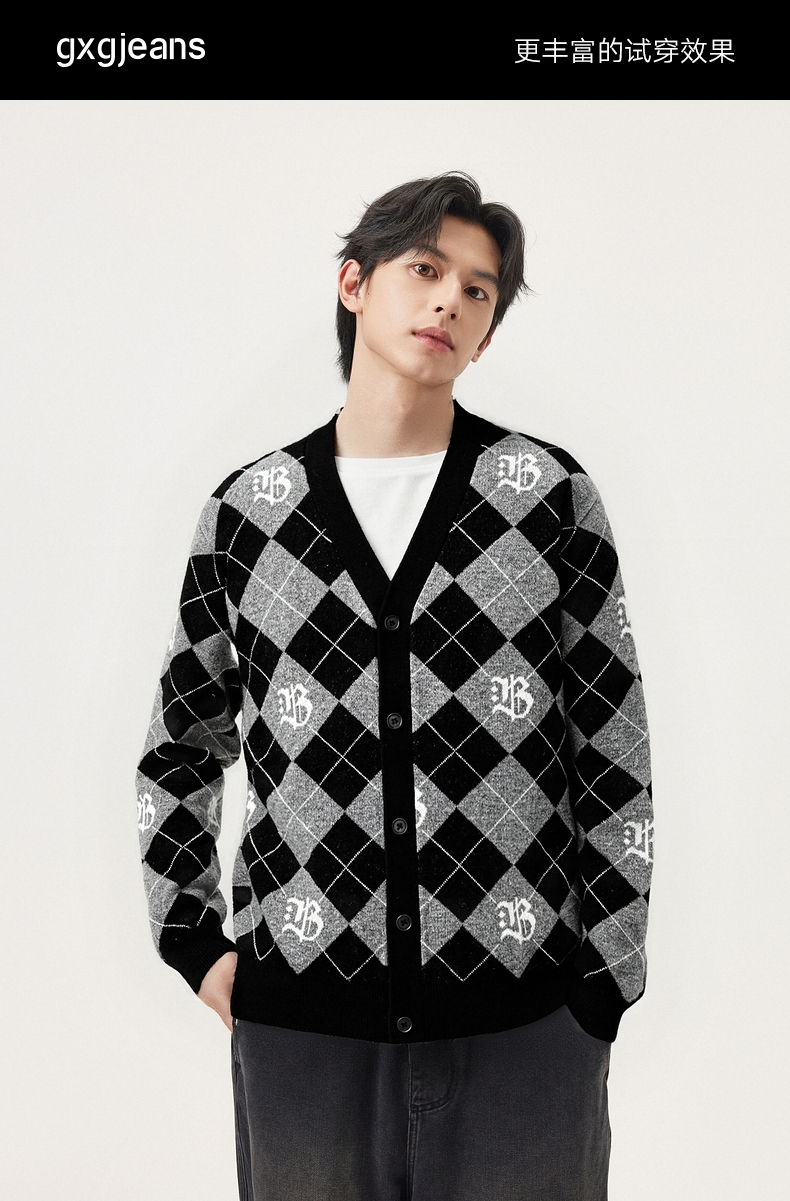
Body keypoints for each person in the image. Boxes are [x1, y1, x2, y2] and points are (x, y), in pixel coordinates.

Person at [136, 172, 653, 1201]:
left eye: (478, 290)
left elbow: (613, 745)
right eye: (425, 269)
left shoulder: (545, 498)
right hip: (302, 1033)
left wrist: (604, 980)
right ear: (354, 284)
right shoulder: (250, 513)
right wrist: (193, 941)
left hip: (526, 1026)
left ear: (487, 333)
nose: (449, 300)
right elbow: (180, 746)